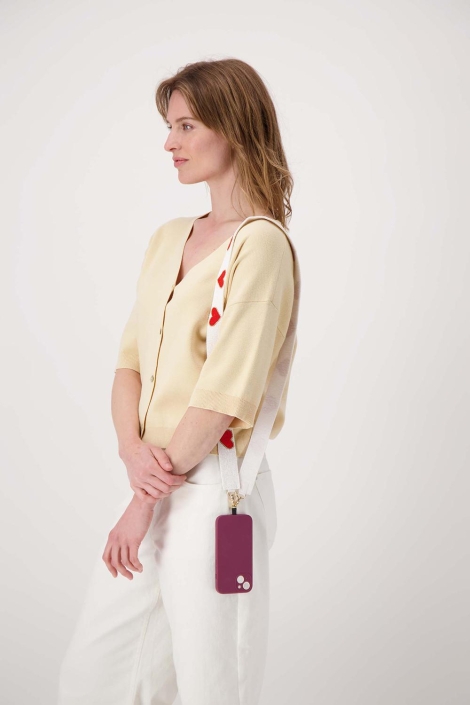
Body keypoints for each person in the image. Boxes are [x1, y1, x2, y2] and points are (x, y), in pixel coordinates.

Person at [57, 57, 300, 705]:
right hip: (154, 479)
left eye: (187, 126)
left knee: (213, 685)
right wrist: (131, 456)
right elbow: (129, 363)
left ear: (234, 127)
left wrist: (141, 503)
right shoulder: (169, 238)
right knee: (94, 679)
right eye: (169, 126)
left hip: (217, 497)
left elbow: (224, 395)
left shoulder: (261, 245)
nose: (170, 143)